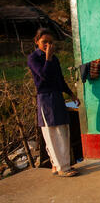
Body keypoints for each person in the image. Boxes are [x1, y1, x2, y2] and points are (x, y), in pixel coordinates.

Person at [28, 28, 80, 177]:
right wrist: (48, 58)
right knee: (51, 132)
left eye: (50, 42)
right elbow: (44, 76)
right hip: (45, 99)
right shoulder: (34, 58)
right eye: (44, 42)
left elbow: (60, 80)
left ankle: (59, 164)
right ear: (37, 41)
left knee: (63, 130)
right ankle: (62, 167)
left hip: (57, 97)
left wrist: (71, 94)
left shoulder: (54, 59)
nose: (48, 45)